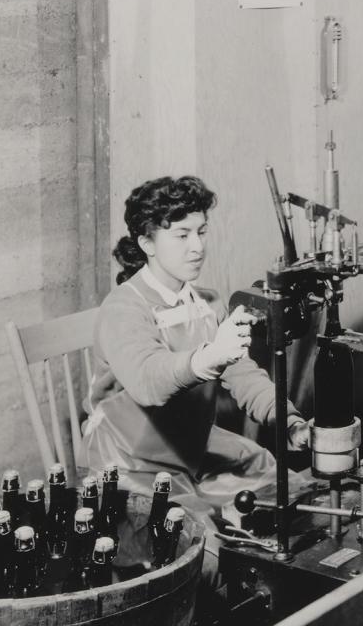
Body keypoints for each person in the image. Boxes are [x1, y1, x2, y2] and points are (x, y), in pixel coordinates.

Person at [85, 175, 312, 531]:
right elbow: (148, 381)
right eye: (182, 235)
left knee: (290, 491)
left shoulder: (206, 302)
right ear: (147, 242)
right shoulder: (124, 309)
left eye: (201, 231)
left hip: (190, 446)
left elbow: (242, 374)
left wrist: (287, 419)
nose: (197, 247)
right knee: (200, 549)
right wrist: (208, 356)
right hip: (129, 460)